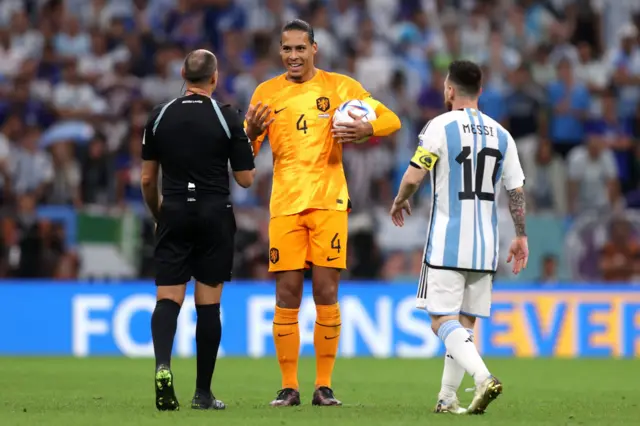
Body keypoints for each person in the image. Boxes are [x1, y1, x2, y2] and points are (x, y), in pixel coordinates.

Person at [244, 19, 401, 407]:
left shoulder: (340, 87)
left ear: (314, 48)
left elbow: (391, 120)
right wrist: (248, 135)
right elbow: (244, 163)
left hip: (330, 202)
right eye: (287, 49)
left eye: (300, 48)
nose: (293, 56)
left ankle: (324, 386)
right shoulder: (266, 93)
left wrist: (367, 130)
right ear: (280, 52)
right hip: (284, 205)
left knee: (327, 291)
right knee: (287, 293)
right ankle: (288, 386)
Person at [389, 60, 528, 415]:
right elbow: (516, 190)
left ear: (449, 90)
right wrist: (521, 236)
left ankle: (482, 377)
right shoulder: (502, 134)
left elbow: (414, 175)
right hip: (485, 247)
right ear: (480, 91)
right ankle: (447, 397)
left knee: (440, 320)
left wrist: (401, 199)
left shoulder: (439, 126)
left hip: (448, 242)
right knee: (464, 324)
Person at [140, 49, 256, 411]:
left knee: (167, 299)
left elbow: (147, 179)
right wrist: (247, 137)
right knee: (208, 307)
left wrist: (160, 212)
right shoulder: (227, 117)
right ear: (215, 78)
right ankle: (203, 394)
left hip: (173, 209)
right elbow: (246, 179)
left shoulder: (159, 116)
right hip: (213, 213)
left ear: (182, 74)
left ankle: (162, 367)